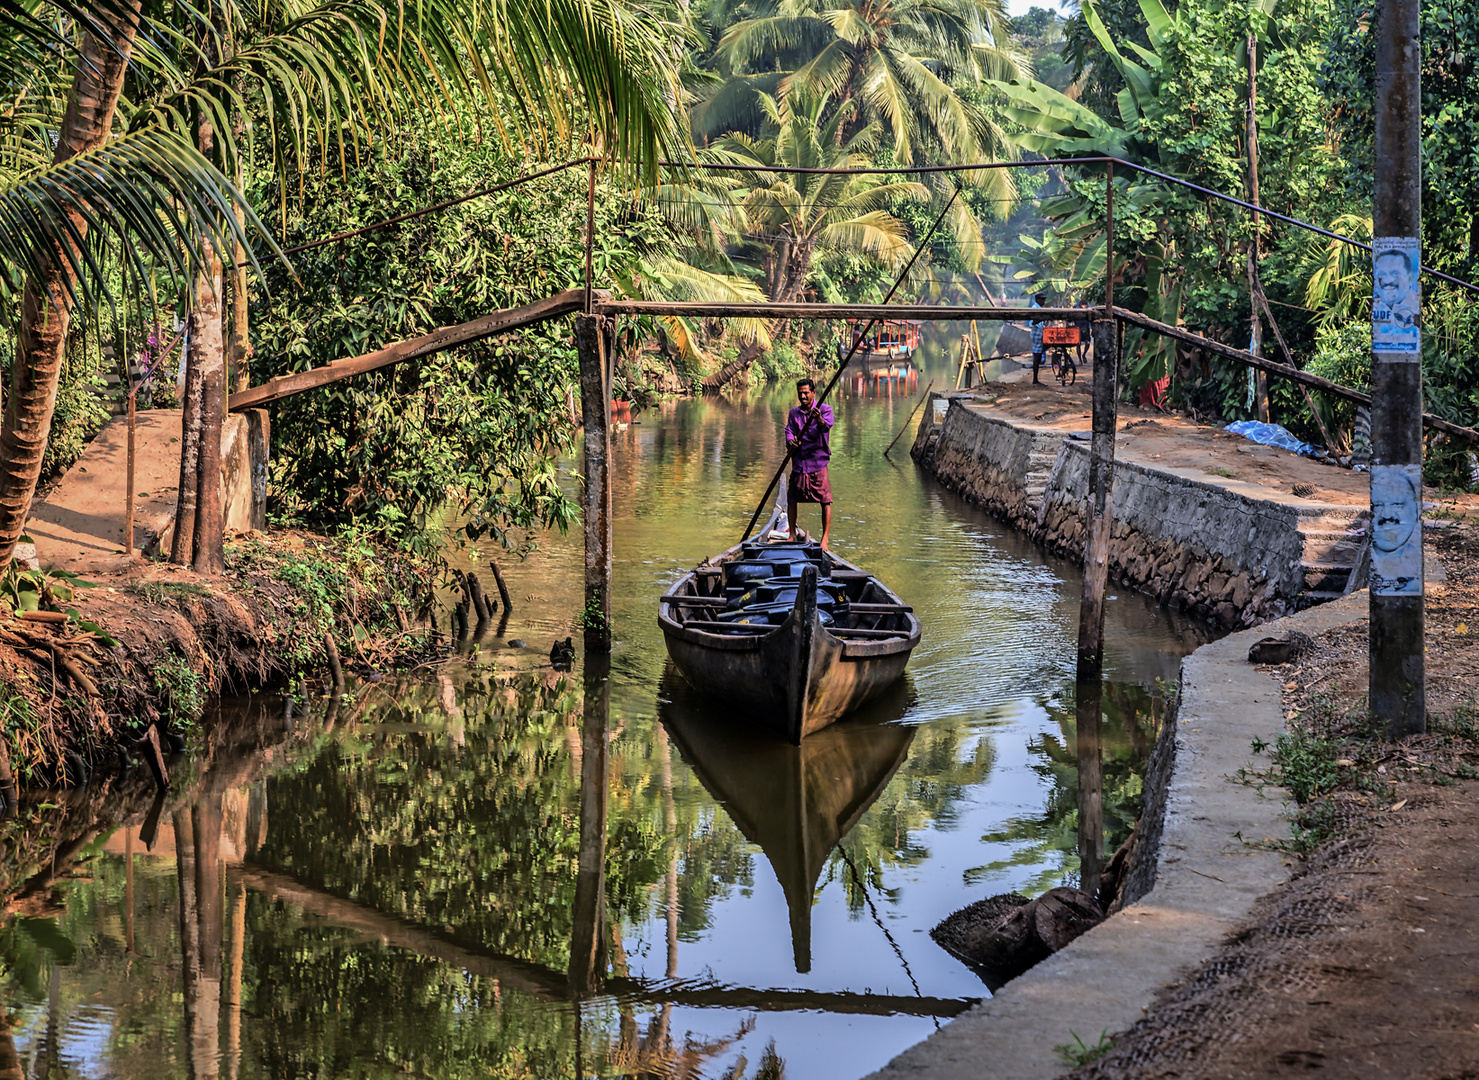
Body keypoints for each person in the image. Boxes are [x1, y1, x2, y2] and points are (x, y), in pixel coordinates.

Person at [785, 378, 835, 551]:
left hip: (817, 462)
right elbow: (789, 430)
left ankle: (825, 539)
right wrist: (791, 441)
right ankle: (792, 534)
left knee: (825, 500)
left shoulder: (825, 409)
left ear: (814, 392)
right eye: (800, 393)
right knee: (791, 498)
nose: (803, 396)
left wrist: (819, 419)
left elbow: (826, 427)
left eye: (806, 393)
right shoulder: (794, 413)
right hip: (799, 462)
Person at [1029, 292, 1046, 384]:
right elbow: (1032, 322)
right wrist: (1044, 318)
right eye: (1041, 299)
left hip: (1040, 333)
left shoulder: (1039, 308)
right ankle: (1035, 379)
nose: (1043, 301)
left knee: (1039, 355)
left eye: (1044, 299)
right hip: (1036, 333)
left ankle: (1035, 379)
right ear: (1036, 300)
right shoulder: (1035, 308)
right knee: (1037, 356)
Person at [1075, 300, 1092, 367]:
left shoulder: (1089, 307)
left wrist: (1092, 329)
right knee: (1078, 344)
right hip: (1078, 328)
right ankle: (1080, 360)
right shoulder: (1076, 306)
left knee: (1087, 343)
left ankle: (1084, 354)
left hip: (1086, 327)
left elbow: (1091, 319)